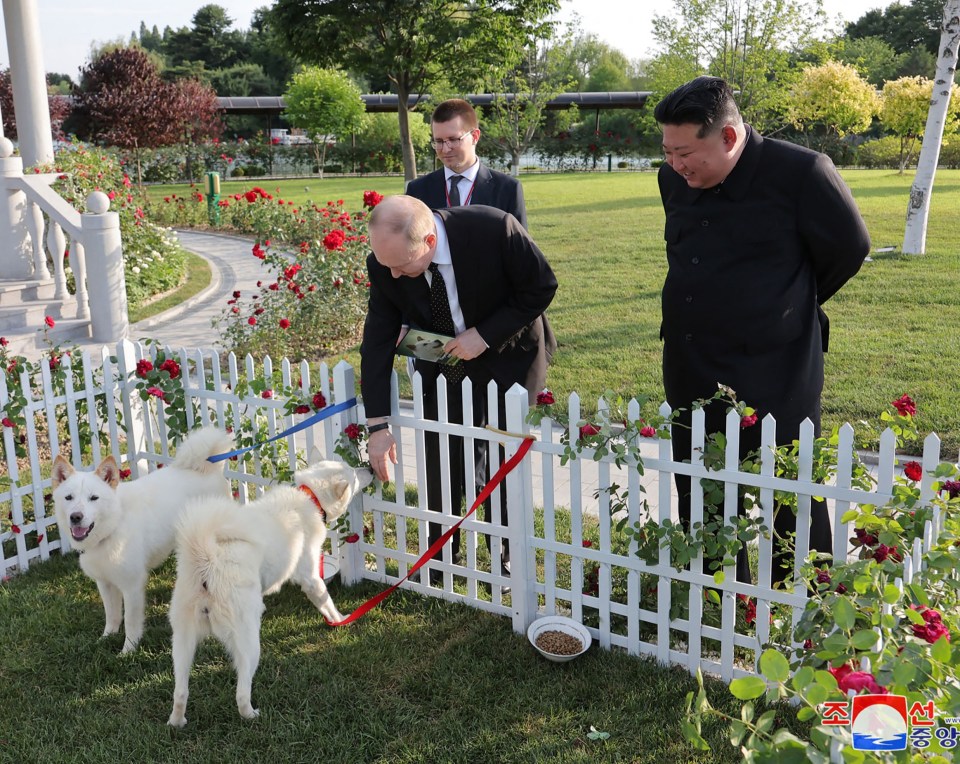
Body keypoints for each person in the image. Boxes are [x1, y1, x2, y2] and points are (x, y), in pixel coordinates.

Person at [653, 76, 871, 585]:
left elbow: (848, 249)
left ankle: (800, 594)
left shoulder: (802, 173)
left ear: (729, 137)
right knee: (701, 485)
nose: (676, 165)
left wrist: (785, 306)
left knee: (789, 489)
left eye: (686, 153)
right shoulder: (674, 180)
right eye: (667, 152)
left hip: (776, 366)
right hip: (690, 360)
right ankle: (718, 592)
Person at [360, 195, 557, 586]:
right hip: (441, 362)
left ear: (429, 242)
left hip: (510, 354)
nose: (393, 276)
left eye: (401, 266)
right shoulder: (385, 264)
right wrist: (377, 426)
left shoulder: (494, 229)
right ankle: (441, 555)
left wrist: (483, 336)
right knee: (442, 457)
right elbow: (378, 340)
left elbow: (540, 287)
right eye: (386, 266)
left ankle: (504, 554)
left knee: (504, 457)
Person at [406, 98, 527, 228]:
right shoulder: (417, 191)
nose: (445, 149)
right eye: (439, 141)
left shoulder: (507, 189)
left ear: (475, 136)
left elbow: (519, 246)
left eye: (453, 139)